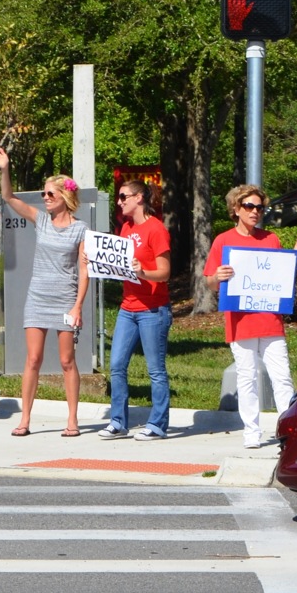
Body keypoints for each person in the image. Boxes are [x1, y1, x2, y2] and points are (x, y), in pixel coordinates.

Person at [205, 183, 297, 449]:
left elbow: (278, 276)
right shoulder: (223, 240)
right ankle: (251, 431)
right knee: (247, 376)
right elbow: (210, 281)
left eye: (259, 207)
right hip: (241, 320)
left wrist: (296, 259)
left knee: (282, 376)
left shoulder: (271, 239)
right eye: (249, 206)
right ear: (236, 208)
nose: (255, 211)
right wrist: (217, 278)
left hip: (270, 318)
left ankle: (287, 429)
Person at [0, 147, 90, 438]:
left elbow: (84, 270)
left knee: (67, 361)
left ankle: (72, 420)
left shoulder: (80, 229)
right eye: (44, 194)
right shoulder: (41, 220)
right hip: (37, 298)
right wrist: (4, 169)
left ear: (65, 198)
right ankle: (25, 419)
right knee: (32, 359)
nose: (45, 198)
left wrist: (78, 306)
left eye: (50, 194)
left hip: (66, 300)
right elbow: (9, 198)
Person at [103, 179, 173, 440]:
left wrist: (143, 272)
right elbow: (121, 266)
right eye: (119, 198)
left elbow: (164, 273)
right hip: (127, 308)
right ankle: (118, 422)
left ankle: (157, 425)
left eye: (123, 197)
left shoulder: (156, 229)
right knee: (117, 365)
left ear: (139, 198)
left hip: (153, 310)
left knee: (155, 370)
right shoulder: (125, 229)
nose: (119, 202)